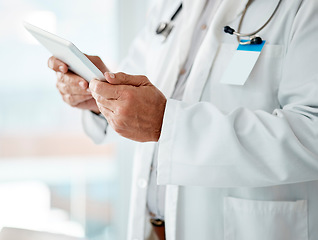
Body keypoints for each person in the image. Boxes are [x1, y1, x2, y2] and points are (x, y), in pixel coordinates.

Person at [48, 0, 318, 239]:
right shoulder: (170, 6)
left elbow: (312, 131)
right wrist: (100, 94)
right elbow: (139, 95)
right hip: (152, 229)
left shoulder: (304, 7)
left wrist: (167, 124)